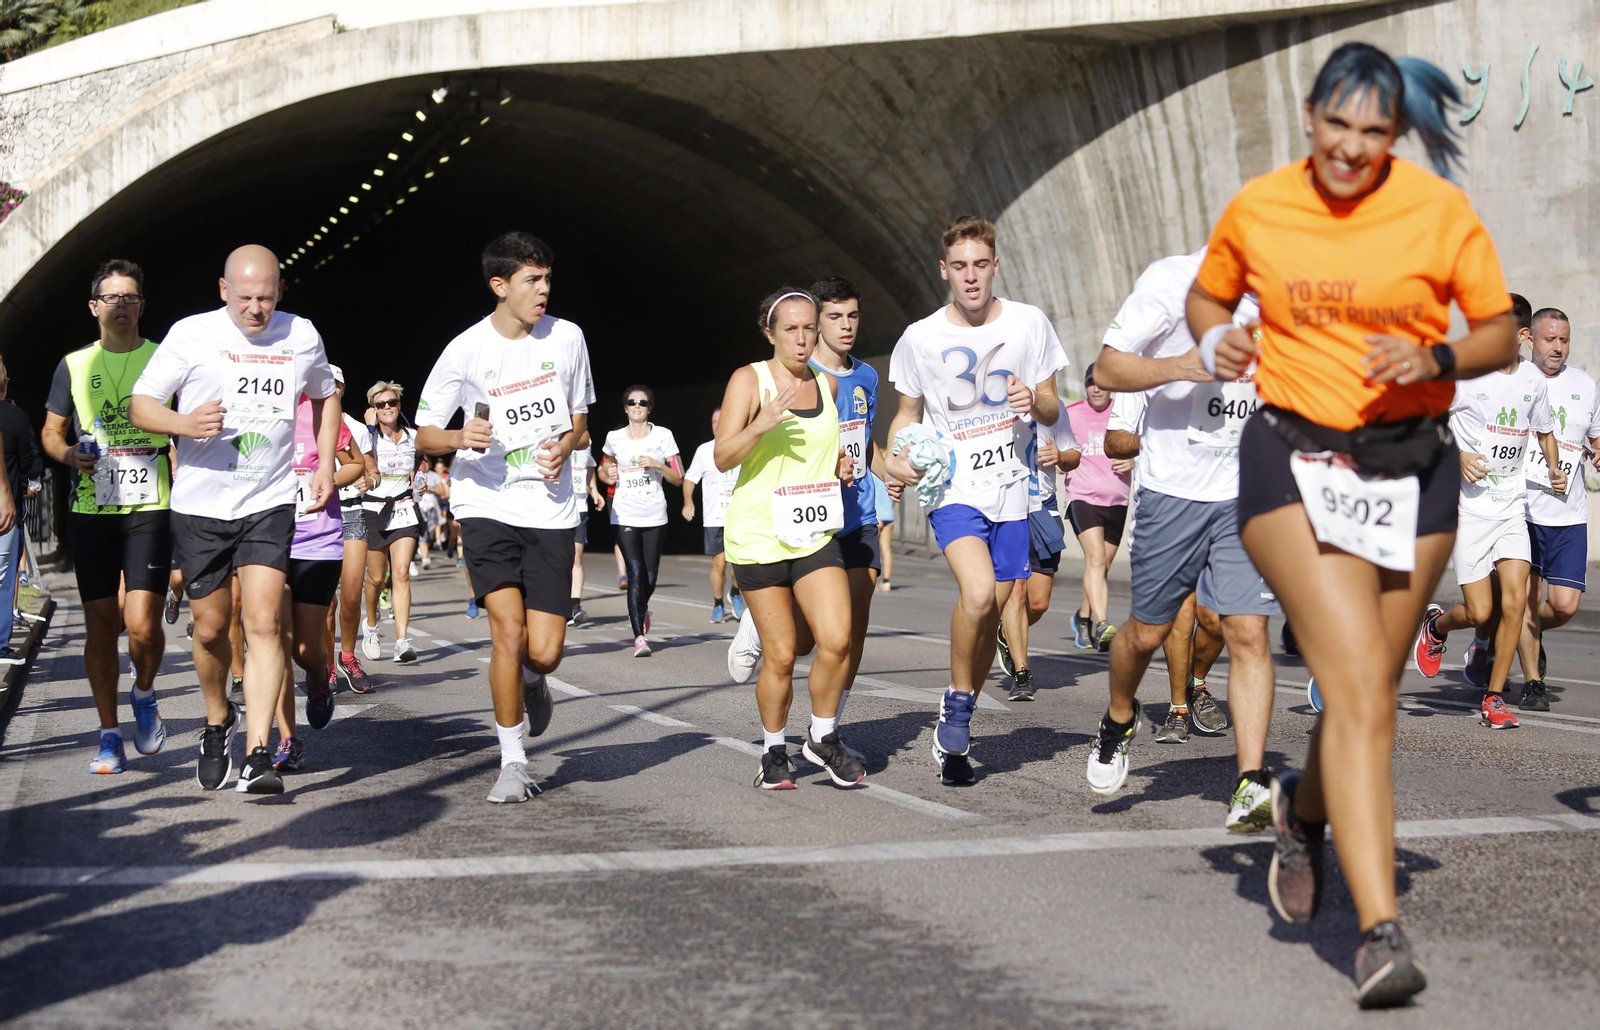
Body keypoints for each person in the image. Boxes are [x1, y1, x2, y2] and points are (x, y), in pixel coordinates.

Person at [1193, 41, 1514, 1006]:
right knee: (1360, 696)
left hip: (1411, 466)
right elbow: (1211, 291)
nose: (1351, 148)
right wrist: (1217, 335)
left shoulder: (1435, 211)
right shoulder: (1262, 205)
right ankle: (1380, 936)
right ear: (1310, 114)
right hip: (1293, 459)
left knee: (1364, 692)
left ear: (1396, 135)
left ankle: (1300, 812)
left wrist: (1439, 361)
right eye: (1338, 125)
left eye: (1374, 133)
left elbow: (1496, 330)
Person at [129, 243, 339, 795]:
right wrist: (181, 421)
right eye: (245, 298)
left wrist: (320, 461)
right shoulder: (190, 334)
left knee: (266, 622)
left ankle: (260, 754)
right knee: (212, 627)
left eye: (266, 298)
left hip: (267, 500)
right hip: (201, 506)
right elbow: (141, 404)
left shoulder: (301, 335)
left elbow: (326, 393)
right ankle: (218, 721)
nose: (255, 310)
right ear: (224, 290)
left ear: (280, 292)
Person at [1088, 246, 1277, 835]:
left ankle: (1249, 783)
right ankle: (1119, 719)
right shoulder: (1173, 281)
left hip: (1246, 493)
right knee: (1145, 632)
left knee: (1247, 629)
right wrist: (1183, 366)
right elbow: (1107, 368)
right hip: (1173, 492)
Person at [883, 215, 1066, 786]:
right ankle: (960, 704)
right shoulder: (920, 337)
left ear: (995, 265)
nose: (970, 277)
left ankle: (960, 704)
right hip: (953, 488)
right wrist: (894, 463)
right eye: (959, 266)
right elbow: (906, 419)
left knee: (995, 611)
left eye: (980, 265)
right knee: (980, 592)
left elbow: (1054, 408)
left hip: (1013, 487)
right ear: (944, 271)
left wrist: (1031, 398)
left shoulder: (1029, 323)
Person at [415, 231, 594, 804]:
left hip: (550, 508)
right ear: (500, 286)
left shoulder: (567, 338)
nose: (544, 290)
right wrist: (458, 435)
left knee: (543, 651)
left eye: (548, 279)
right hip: (485, 503)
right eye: (531, 281)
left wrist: (567, 447)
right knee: (508, 634)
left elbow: (581, 423)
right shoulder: (466, 350)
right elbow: (424, 431)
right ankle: (513, 761)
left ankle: (536, 681)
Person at [720, 287, 863, 789]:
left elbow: (824, 450)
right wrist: (760, 423)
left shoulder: (826, 385)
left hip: (812, 531)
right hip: (759, 536)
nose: (802, 339)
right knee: (781, 654)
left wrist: (840, 465)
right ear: (770, 333)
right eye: (791, 329)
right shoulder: (749, 379)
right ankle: (773, 750)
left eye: (808, 328)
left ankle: (822, 736)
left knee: (838, 639)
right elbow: (723, 457)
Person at [40, 260, 172, 770]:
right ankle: (109, 735)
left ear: (141, 305)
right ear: (95, 306)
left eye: (130, 297)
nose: (121, 305)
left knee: (140, 623)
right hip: (92, 508)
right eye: (111, 298)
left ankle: (143, 691)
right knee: (100, 624)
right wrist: (70, 454)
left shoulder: (164, 359)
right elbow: (52, 431)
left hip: (151, 506)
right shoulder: (73, 365)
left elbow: (185, 424)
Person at [1413, 316, 1560, 728]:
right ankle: (1437, 625)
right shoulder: (1467, 377)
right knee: (1481, 612)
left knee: (1515, 603)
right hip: (1471, 511)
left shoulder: (1533, 380)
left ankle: (1493, 698)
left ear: (1522, 336)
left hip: (1512, 507)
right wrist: (1457, 455)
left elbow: (1545, 430)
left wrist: (1553, 467)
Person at [271, 390, 365, 770]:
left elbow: (357, 463)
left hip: (317, 542)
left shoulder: (320, 411)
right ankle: (287, 740)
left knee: (306, 652)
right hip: (268, 541)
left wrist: (328, 476)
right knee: (272, 640)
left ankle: (318, 682)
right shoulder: (254, 409)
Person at [1514, 306, 1600, 710]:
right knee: (1526, 599)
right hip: (1523, 510)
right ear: (1530, 338)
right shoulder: (1516, 381)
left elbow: (1596, 439)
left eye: (1564, 340)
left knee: (1564, 605)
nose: (1558, 348)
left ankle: (1509, 629)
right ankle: (1533, 684)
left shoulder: (1585, 384)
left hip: (1569, 514)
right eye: (1550, 339)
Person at [996, 398, 1080, 702]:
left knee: (1039, 603)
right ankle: (1022, 673)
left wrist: (1060, 455)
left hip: (1043, 509)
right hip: (1007, 508)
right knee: (1015, 592)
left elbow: (1074, 455)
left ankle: (1006, 632)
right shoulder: (993, 402)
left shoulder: (1052, 407)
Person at [602, 386, 682, 657]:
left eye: (643, 402)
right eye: (632, 402)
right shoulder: (614, 438)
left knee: (650, 577)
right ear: (625, 408)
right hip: (624, 513)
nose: (637, 406)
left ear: (650, 407)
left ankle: (641, 607)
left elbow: (678, 476)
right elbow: (604, 468)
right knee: (635, 572)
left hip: (655, 514)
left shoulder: (663, 436)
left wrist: (658, 465)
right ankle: (639, 637)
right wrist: (608, 472)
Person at [1064, 362, 1132, 650]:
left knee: (1100, 567)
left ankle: (1083, 617)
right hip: (1082, 497)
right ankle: (1103, 623)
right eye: (1091, 382)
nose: (1096, 388)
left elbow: (1149, 446)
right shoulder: (1071, 415)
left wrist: (1135, 459)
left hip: (1118, 499)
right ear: (1085, 385)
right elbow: (1056, 444)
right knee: (1094, 560)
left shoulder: (1124, 416)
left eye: (1102, 382)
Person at [360, 380, 422, 664]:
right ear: (373, 409)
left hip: (404, 508)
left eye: (391, 403)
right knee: (375, 578)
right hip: (373, 510)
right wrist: (369, 429)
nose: (387, 408)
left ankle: (401, 641)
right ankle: (371, 626)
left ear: (399, 406)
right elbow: (359, 462)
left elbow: (422, 461)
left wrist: (420, 481)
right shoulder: (367, 437)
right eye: (380, 404)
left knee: (401, 572)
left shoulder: (412, 435)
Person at [329, 365, 378, 694]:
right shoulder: (301, 421)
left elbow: (373, 472)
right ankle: (326, 666)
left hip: (350, 512)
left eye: (335, 385)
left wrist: (368, 479)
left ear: (343, 388)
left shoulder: (355, 429)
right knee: (324, 602)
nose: (330, 389)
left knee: (349, 594)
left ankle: (348, 656)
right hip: (315, 516)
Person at [681, 408, 743, 622]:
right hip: (714, 516)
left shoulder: (742, 446)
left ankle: (735, 592)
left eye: (722, 420)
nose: (718, 424)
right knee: (720, 563)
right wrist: (688, 502)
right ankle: (718, 604)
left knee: (740, 563)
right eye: (714, 421)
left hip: (739, 515)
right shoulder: (704, 451)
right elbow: (689, 479)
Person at [568, 443, 601, 626]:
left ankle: (575, 606)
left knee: (576, 557)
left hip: (580, 507)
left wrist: (594, 490)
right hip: (556, 507)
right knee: (558, 558)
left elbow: (589, 467)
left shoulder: (586, 442)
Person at [415, 454, 443, 569]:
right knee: (422, 532)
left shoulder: (434, 476)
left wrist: (430, 488)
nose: (423, 464)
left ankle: (424, 548)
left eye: (425, 462)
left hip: (432, 506)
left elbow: (442, 491)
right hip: (419, 505)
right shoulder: (412, 472)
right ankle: (425, 559)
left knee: (430, 533)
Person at [872, 472, 895, 592]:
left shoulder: (874, 474)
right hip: (889, 516)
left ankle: (870, 580)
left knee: (872, 550)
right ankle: (886, 582)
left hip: (876, 516)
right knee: (886, 550)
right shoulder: (891, 475)